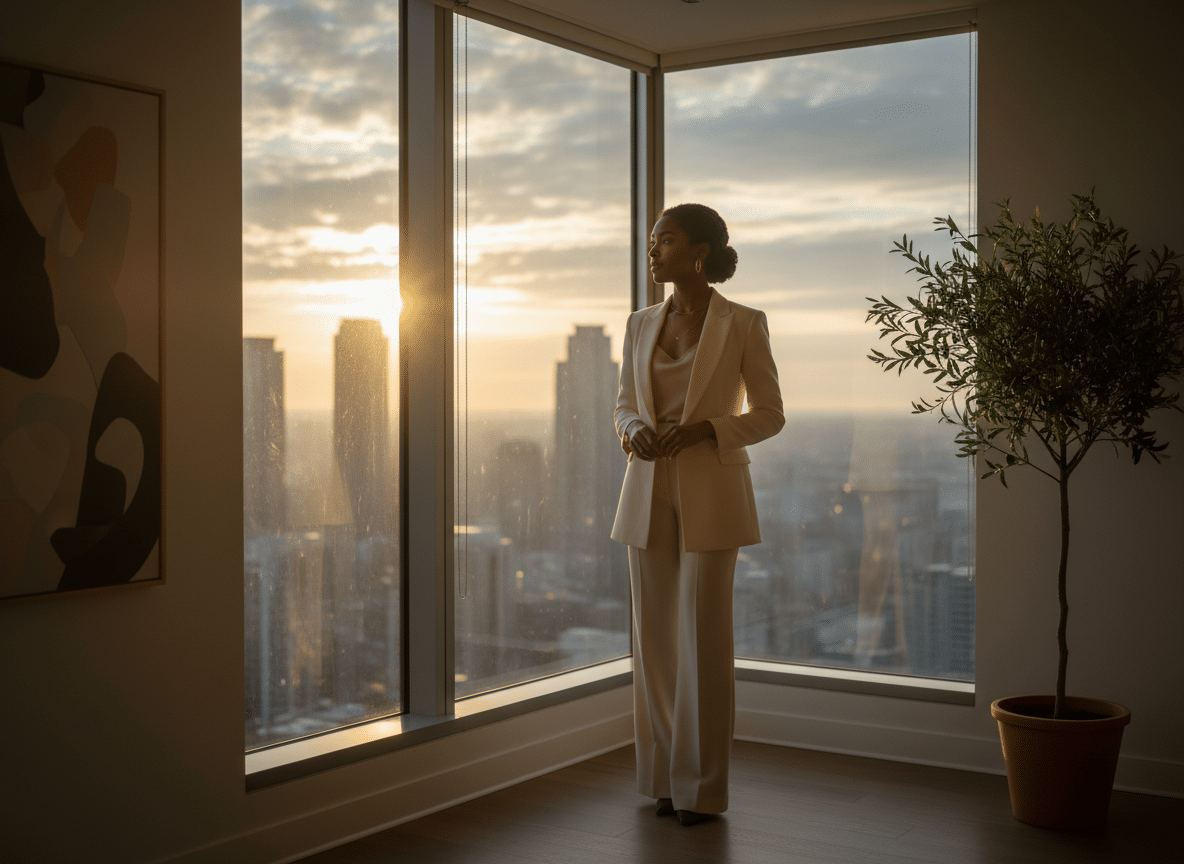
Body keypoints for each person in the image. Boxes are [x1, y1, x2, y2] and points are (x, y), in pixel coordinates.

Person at [612, 203, 784, 826]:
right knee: (656, 645)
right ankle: (664, 779)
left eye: (666, 240)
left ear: (700, 252)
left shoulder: (744, 323)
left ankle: (702, 790)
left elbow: (770, 414)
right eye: (652, 240)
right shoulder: (639, 323)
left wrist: (709, 430)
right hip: (647, 489)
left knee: (704, 643)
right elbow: (624, 404)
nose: (653, 250)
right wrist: (633, 430)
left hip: (713, 490)